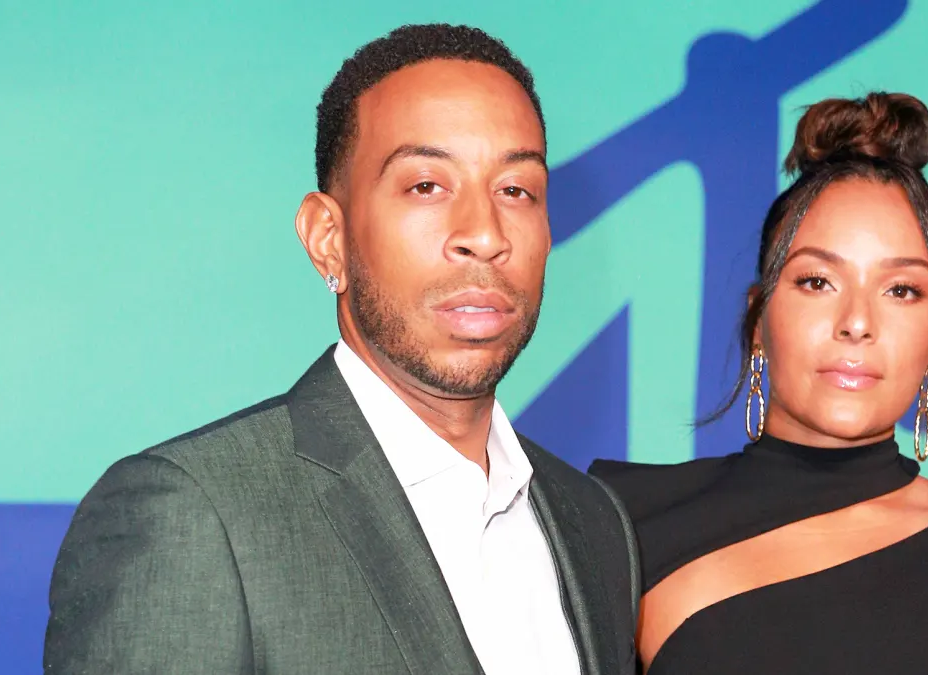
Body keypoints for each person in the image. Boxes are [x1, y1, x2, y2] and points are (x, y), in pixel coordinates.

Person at [45, 24, 639, 675]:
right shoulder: (194, 513)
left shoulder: (594, 522)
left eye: (516, 190)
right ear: (328, 238)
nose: (484, 234)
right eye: (426, 186)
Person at [590, 92, 928, 674]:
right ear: (758, 319)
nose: (857, 322)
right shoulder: (620, 524)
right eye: (817, 281)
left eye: (902, 290)